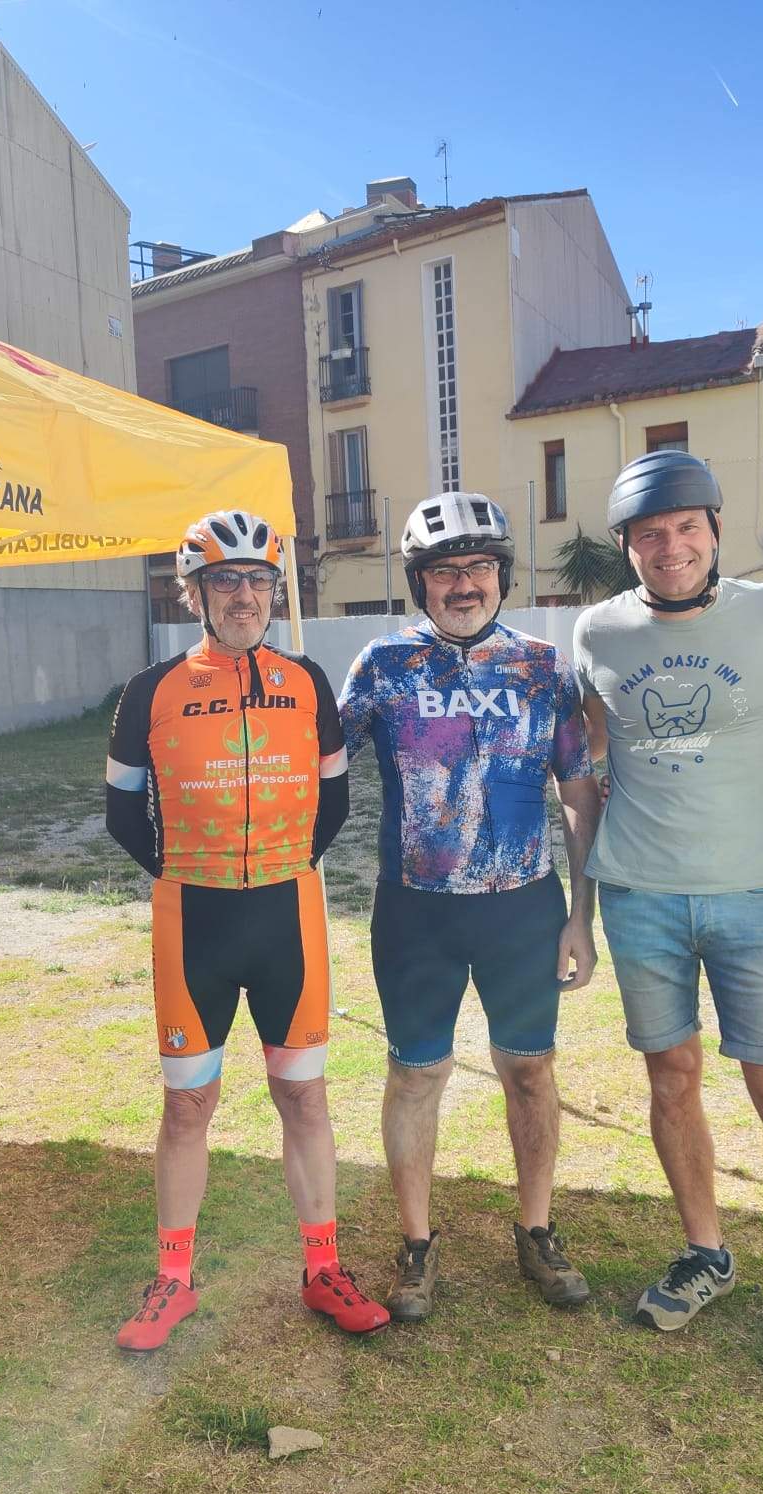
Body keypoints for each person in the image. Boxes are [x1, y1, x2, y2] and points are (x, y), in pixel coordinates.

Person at [571, 449, 763, 1378]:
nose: (672, 546)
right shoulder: (595, 633)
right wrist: (581, 905)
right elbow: (596, 753)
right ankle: (705, 1251)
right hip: (638, 896)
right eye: (651, 533)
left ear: (716, 531)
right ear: (627, 547)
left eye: (688, 527)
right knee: (672, 1079)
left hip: (748, 896)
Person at [103, 511, 387, 1351]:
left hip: (287, 913)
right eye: (225, 581)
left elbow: (334, 802)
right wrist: (188, 867)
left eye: (259, 580)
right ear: (193, 592)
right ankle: (173, 1279)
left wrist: (279, 862)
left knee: (303, 1094)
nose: (245, 597)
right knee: (188, 1104)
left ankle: (323, 1266)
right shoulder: (150, 691)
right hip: (192, 914)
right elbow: (123, 813)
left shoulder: (306, 682)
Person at [335, 492, 602, 1322]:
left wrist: (580, 918)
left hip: (523, 906)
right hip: (416, 911)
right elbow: (313, 766)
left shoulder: (541, 667)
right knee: (417, 1074)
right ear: (420, 583)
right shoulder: (381, 666)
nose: (464, 584)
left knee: (530, 1070)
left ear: (501, 576)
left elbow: (578, 795)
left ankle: (536, 1229)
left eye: (479, 568)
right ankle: (417, 1244)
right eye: (445, 570)